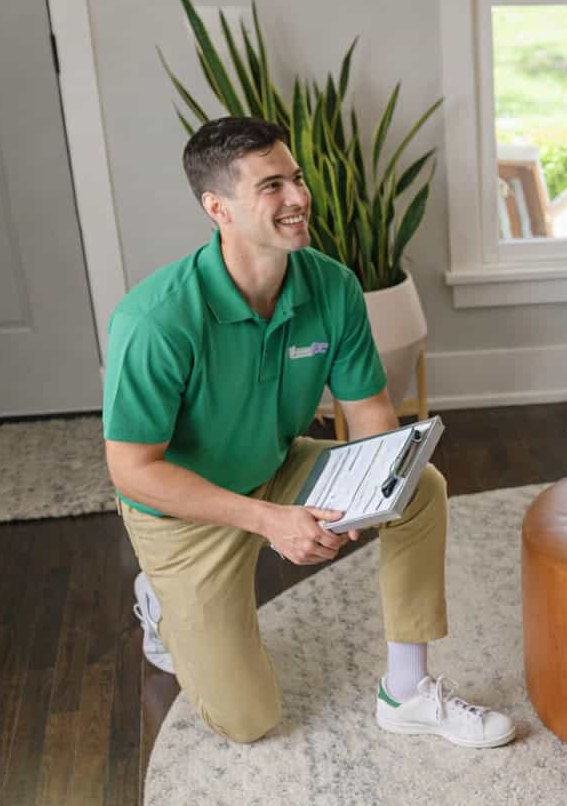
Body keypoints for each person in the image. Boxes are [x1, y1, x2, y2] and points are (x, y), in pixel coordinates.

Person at [104, 116, 513, 749]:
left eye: (295, 178)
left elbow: (371, 409)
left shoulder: (332, 285)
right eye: (272, 186)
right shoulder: (155, 321)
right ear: (219, 208)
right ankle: (161, 600)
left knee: (419, 486)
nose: (298, 198)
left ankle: (405, 691)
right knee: (248, 722)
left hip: (277, 466)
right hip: (187, 513)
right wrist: (269, 523)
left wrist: (374, 495)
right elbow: (133, 470)